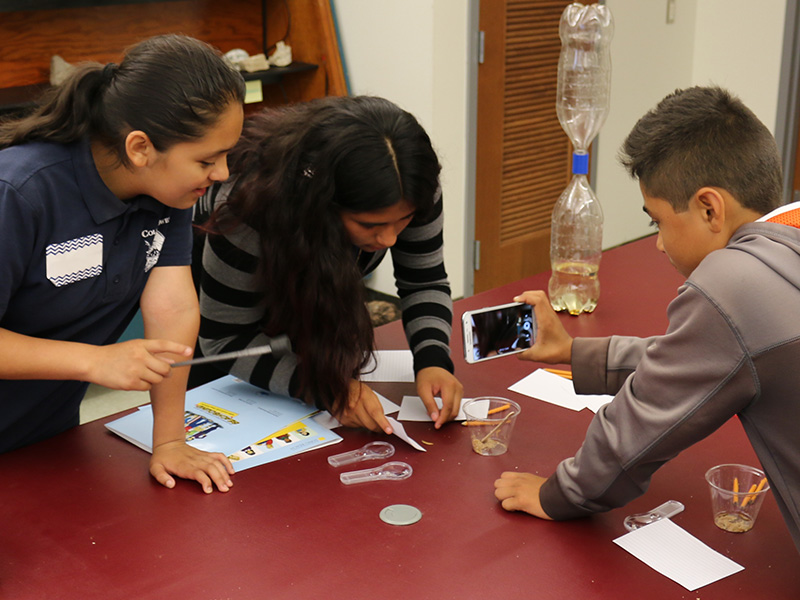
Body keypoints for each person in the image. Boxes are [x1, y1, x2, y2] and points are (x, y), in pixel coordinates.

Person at [493, 86, 800, 553]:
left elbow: (636, 431)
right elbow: (706, 358)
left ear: (709, 208)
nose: (657, 243)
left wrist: (560, 494)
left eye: (656, 221)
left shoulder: (733, 280)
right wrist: (575, 353)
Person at [0, 34, 245, 494]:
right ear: (139, 148)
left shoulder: (166, 192)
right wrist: (92, 361)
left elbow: (172, 313)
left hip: (44, 442)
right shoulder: (19, 192)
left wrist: (170, 440)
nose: (222, 174)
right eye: (208, 159)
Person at [194, 95, 463, 433]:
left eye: (404, 220)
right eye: (369, 226)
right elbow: (224, 342)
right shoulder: (247, 212)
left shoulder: (411, 189)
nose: (390, 239)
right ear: (323, 205)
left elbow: (423, 280)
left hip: (304, 305)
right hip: (221, 328)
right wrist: (325, 388)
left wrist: (433, 360)